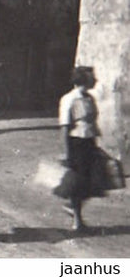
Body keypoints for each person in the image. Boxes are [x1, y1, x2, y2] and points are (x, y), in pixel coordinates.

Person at [59, 65, 103, 232]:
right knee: (78, 181)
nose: (95, 80)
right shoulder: (69, 99)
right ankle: (76, 219)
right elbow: (64, 127)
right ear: (84, 80)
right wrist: (66, 152)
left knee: (90, 179)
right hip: (76, 142)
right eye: (92, 77)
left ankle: (73, 208)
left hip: (89, 141)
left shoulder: (89, 98)